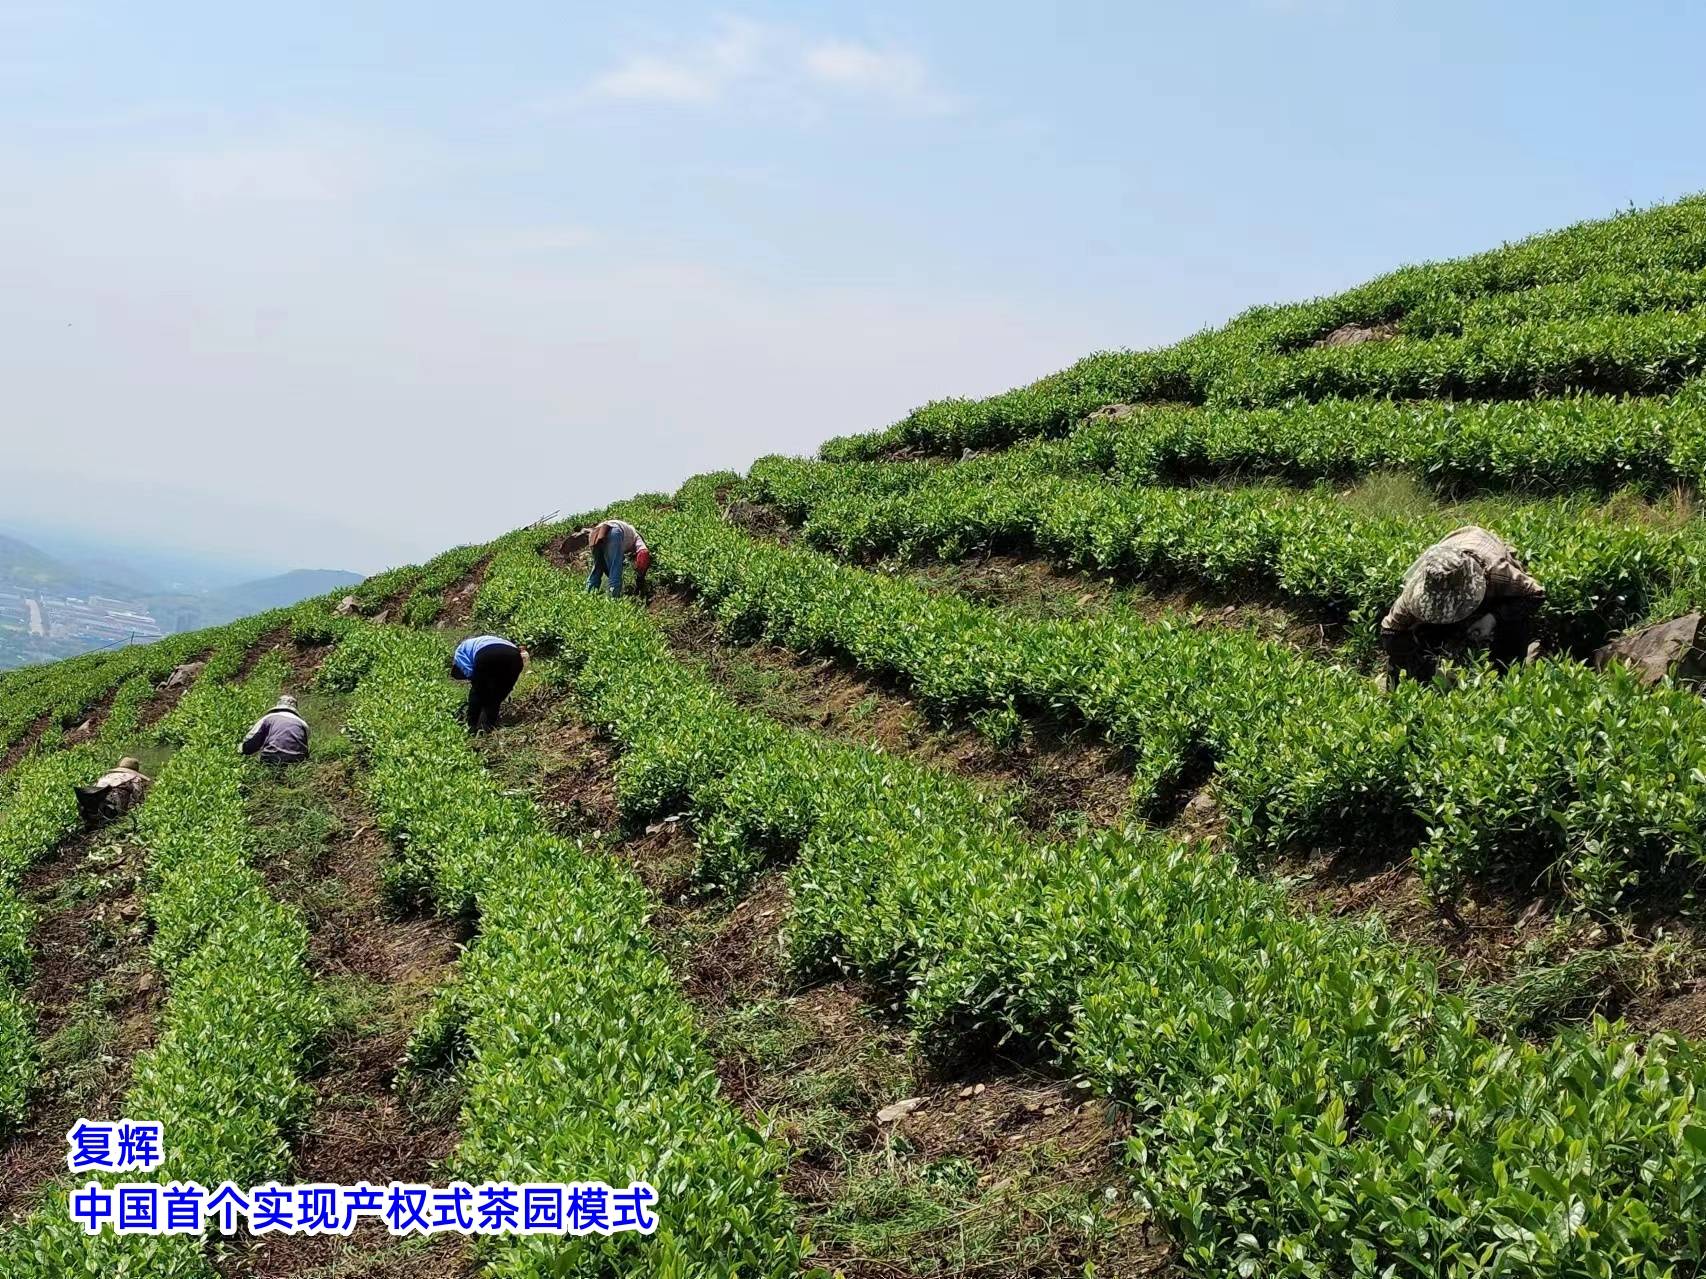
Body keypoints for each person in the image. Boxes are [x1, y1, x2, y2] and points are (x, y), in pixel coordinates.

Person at [1379, 526, 1545, 685]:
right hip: (1455, 542)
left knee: (1513, 631)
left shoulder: (1498, 573)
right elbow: (1391, 631)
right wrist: (1428, 668)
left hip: (1483, 545)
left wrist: (1493, 618)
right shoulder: (1420, 587)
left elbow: (1536, 594)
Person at [451, 634, 528, 732]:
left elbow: (471, 674)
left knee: (477, 692)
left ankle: (471, 725)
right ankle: (488, 725)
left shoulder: (459, 654)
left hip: (487, 653)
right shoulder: (474, 643)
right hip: (515, 657)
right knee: (497, 695)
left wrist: (476, 684)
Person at [74, 756, 151, 827]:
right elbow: (138, 799)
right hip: (113, 807)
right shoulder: (135, 779)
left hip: (94, 804)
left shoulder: (106, 777)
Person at [585, 518, 647, 599]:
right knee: (616, 566)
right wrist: (640, 576)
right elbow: (643, 553)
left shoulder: (627, 530)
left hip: (595, 534)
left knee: (598, 566)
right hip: (613, 531)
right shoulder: (636, 537)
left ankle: (588, 594)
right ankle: (613, 598)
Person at [241, 694, 311, 764]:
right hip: (298, 761)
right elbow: (305, 744)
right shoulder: (302, 723)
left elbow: (252, 739)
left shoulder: (268, 718)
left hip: (271, 758)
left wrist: (242, 749)